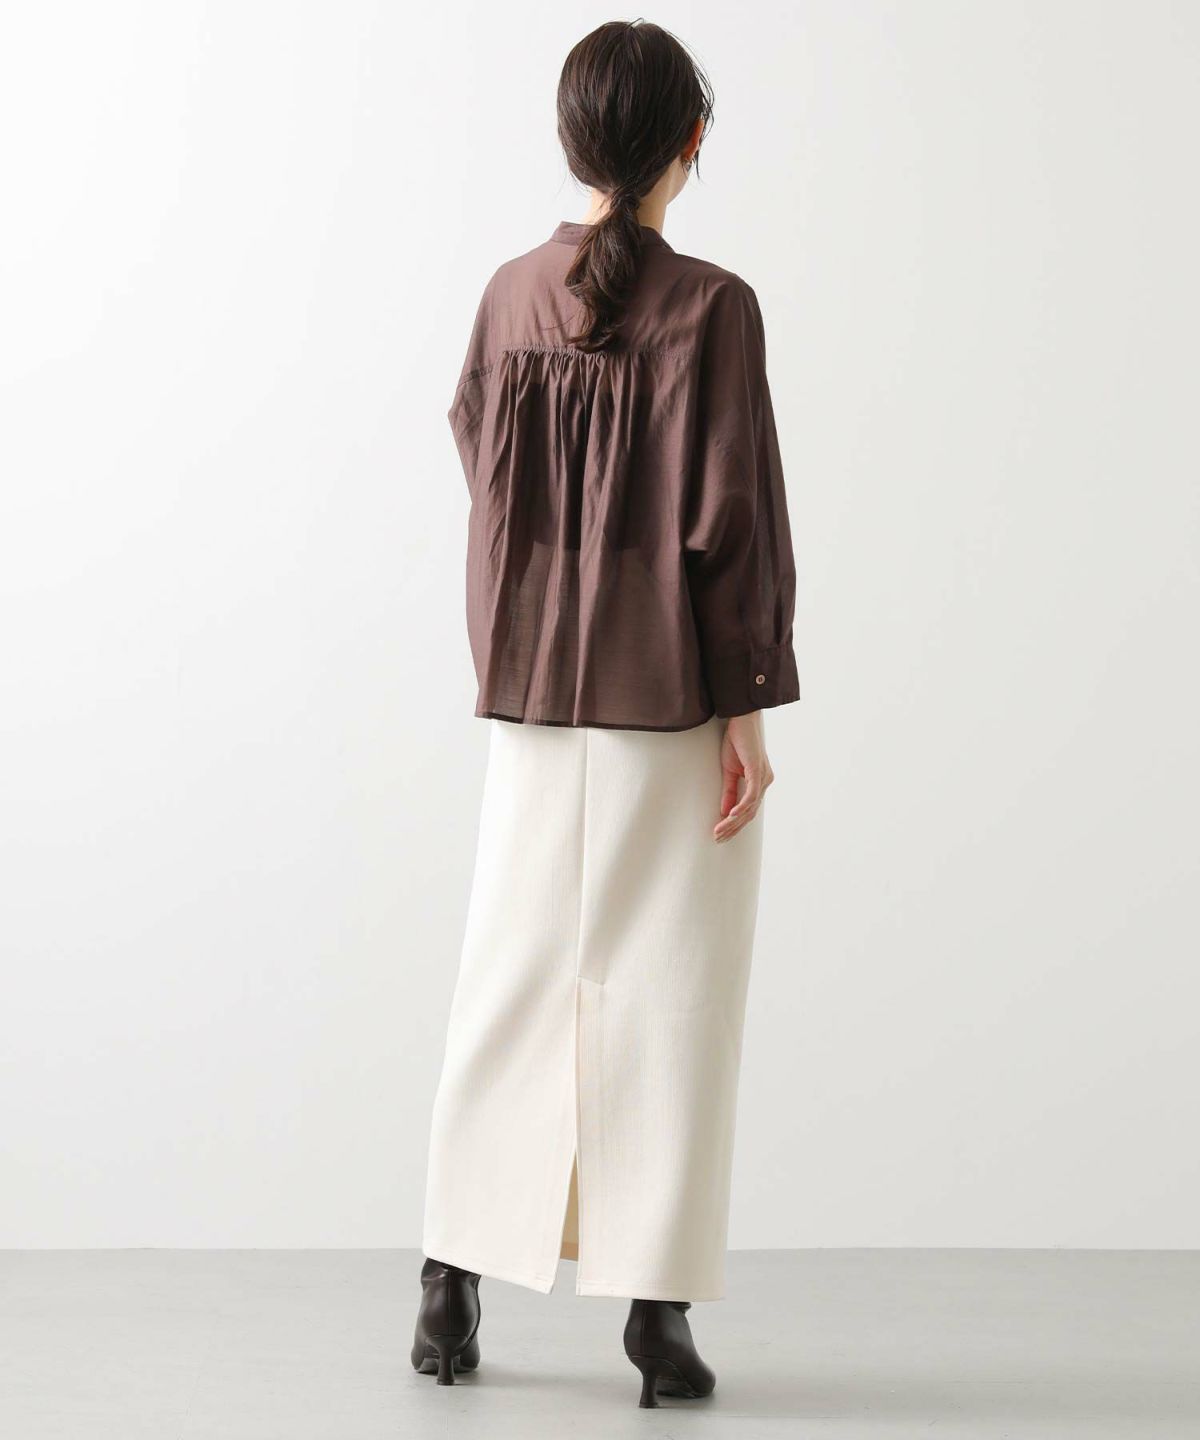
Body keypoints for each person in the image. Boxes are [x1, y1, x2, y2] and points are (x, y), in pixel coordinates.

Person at [412, 19, 799, 1409]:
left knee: (508, 979)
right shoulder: (715, 309)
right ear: (689, 143)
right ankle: (655, 1316)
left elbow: (481, 459)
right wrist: (750, 708)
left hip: (531, 696)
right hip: (671, 697)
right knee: (670, 998)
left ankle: (449, 1281)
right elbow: (733, 519)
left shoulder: (510, 295)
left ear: (572, 142)